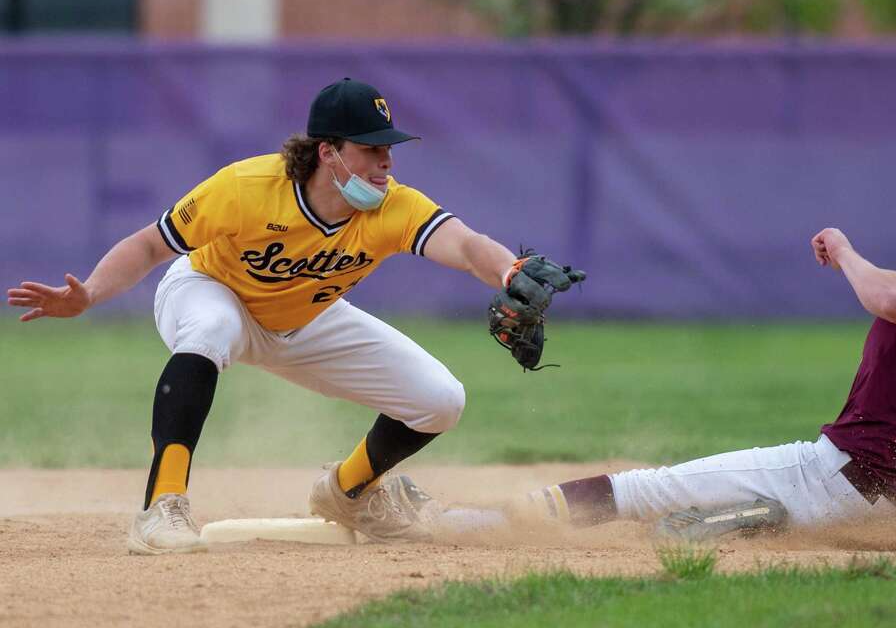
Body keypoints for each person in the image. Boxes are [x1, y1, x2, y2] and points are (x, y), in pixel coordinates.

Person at [6, 78, 582, 554]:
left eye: (388, 148)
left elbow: (466, 245)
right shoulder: (247, 187)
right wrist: (90, 293)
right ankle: (161, 507)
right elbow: (150, 245)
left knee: (441, 399)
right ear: (328, 151)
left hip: (305, 316)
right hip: (211, 291)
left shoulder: (394, 206)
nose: (385, 161)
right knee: (210, 330)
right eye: (370, 148)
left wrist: (508, 271)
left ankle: (348, 492)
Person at [509, 178, 896, 537]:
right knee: (771, 510)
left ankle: (494, 523)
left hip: (834, 476)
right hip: (890, 519)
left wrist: (843, 250)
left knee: (647, 489)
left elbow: (888, 299)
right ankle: (753, 521)